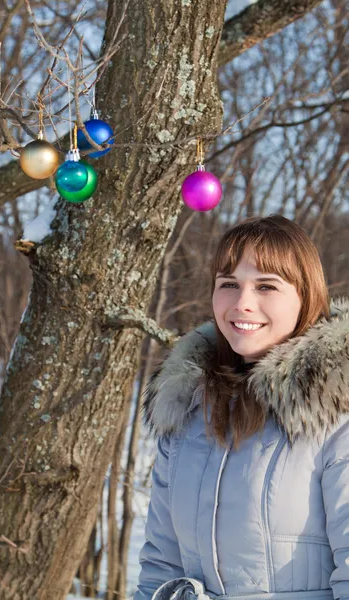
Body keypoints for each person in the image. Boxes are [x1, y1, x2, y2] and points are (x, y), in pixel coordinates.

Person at [134, 215, 349, 600]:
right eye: (228, 284)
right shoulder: (186, 410)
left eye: (266, 286)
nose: (242, 303)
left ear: (305, 298)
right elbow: (161, 568)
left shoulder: (335, 411)